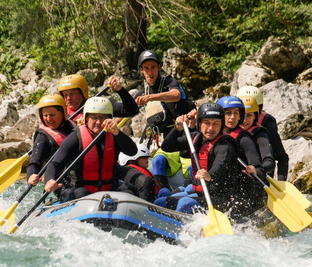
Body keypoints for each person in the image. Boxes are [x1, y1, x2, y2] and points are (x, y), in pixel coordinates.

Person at [43, 97, 156, 203]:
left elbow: (132, 151)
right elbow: (55, 164)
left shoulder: (113, 134)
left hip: (109, 184)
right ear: (87, 118)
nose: (98, 122)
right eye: (94, 117)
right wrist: (50, 180)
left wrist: (117, 132)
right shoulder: (75, 138)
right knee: (83, 193)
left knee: (144, 183)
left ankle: (144, 217)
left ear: (109, 119)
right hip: (78, 188)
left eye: (102, 117)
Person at [158, 103, 242, 214]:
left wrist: (210, 174)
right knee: (160, 202)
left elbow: (221, 164)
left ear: (221, 124)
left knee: (184, 203)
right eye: (207, 123)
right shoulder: (195, 138)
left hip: (222, 198)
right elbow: (166, 146)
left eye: (215, 124)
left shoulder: (225, 144)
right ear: (200, 123)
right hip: (201, 194)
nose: (211, 128)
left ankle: (180, 229)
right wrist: (177, 128)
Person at [134, 49, 196, 190]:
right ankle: (163, 194)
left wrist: (151, 98)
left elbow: (175, 95)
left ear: (159, 67)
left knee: (191, 165)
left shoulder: (169, 82)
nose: (150, 72)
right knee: (157, 160)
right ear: (141, 70)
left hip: (188, 136)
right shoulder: (142, 93)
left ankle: (197, 191)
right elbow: (127, 112)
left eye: (153, 67)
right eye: (146, 68)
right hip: (169, 140)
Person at [217, 95, 272, 216]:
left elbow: (259, 166)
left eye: (236, 113)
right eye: (228, 113)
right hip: (222, 189)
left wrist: (255, 170)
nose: (232, 117)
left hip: (243, 193)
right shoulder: (212, 135)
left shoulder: (245, 139)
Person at [237, 86, 289, 181]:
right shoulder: (230, 126)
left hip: (261, 175)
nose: (244, 119)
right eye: (242, 113)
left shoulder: (267, 126)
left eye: (249, 114)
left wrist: (282, 183)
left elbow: (281, 157)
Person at [27, 94, 76, 187]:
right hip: (59, 183)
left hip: (80, 177)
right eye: (45, 115)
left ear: (63, 113)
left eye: (53, 115)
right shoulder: (43, 137)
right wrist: (31, 175)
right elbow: (35, 163)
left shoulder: (74, 126)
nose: (49, 119)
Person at [58, 74, 140, 125]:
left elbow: (132, 110)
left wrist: (120, 90)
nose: (68, 98)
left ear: (83, 92)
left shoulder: (100, 105)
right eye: (65, 95)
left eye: (72, 94)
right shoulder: (60, 114)